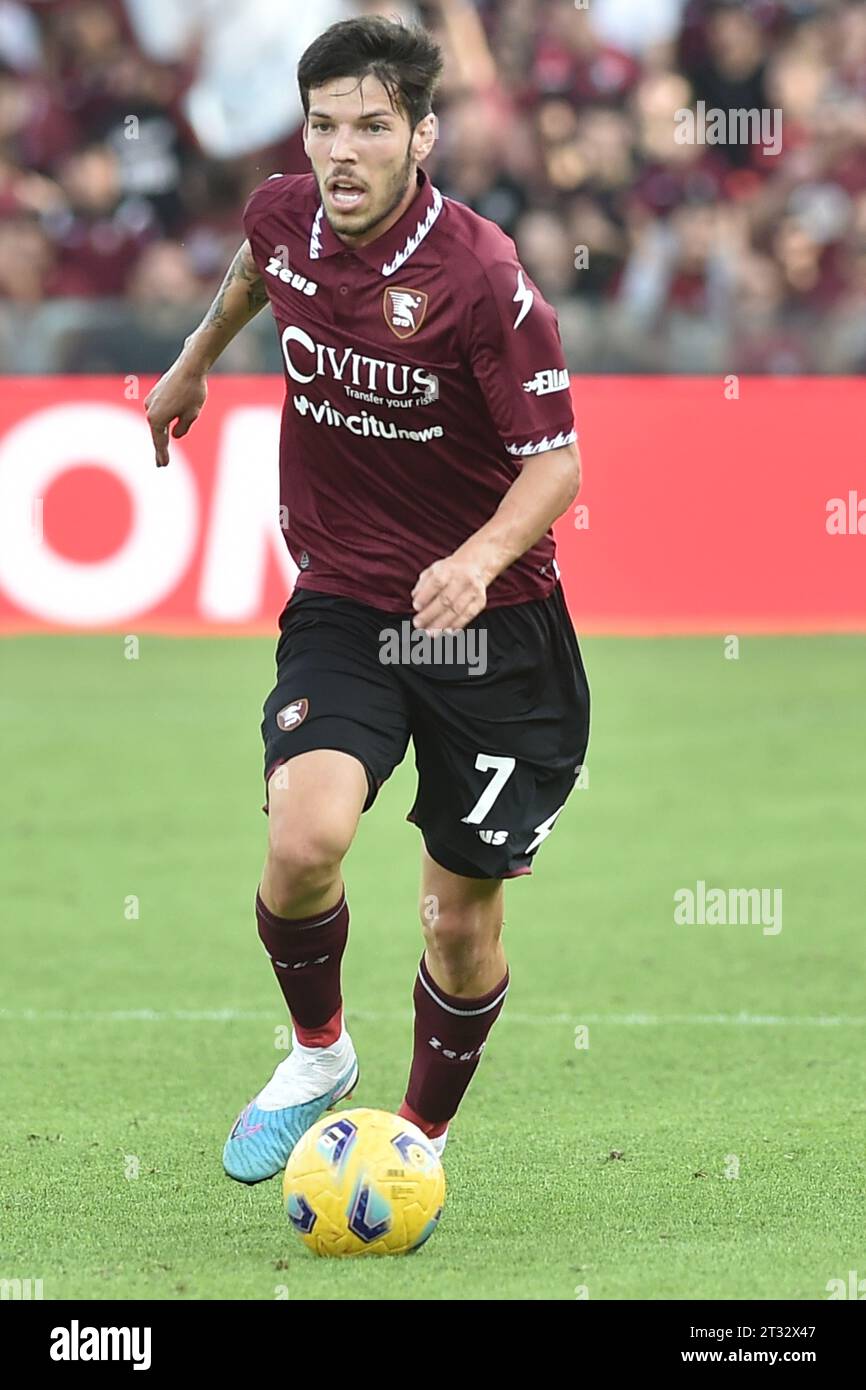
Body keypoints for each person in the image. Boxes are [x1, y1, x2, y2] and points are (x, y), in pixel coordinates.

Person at [144, 15, 589, 1185]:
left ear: (421, 135)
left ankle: (413, 1144)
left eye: (371, 127)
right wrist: (194, 361)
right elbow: (258, 267)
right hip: (349, 596)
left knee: (459, 921)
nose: (341, 151)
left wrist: (480, 558)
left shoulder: (480, 274)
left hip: (488, 628)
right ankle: (316, 1055)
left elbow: (557, 464)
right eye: (324, 125)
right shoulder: (283, 215)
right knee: (303, 840)